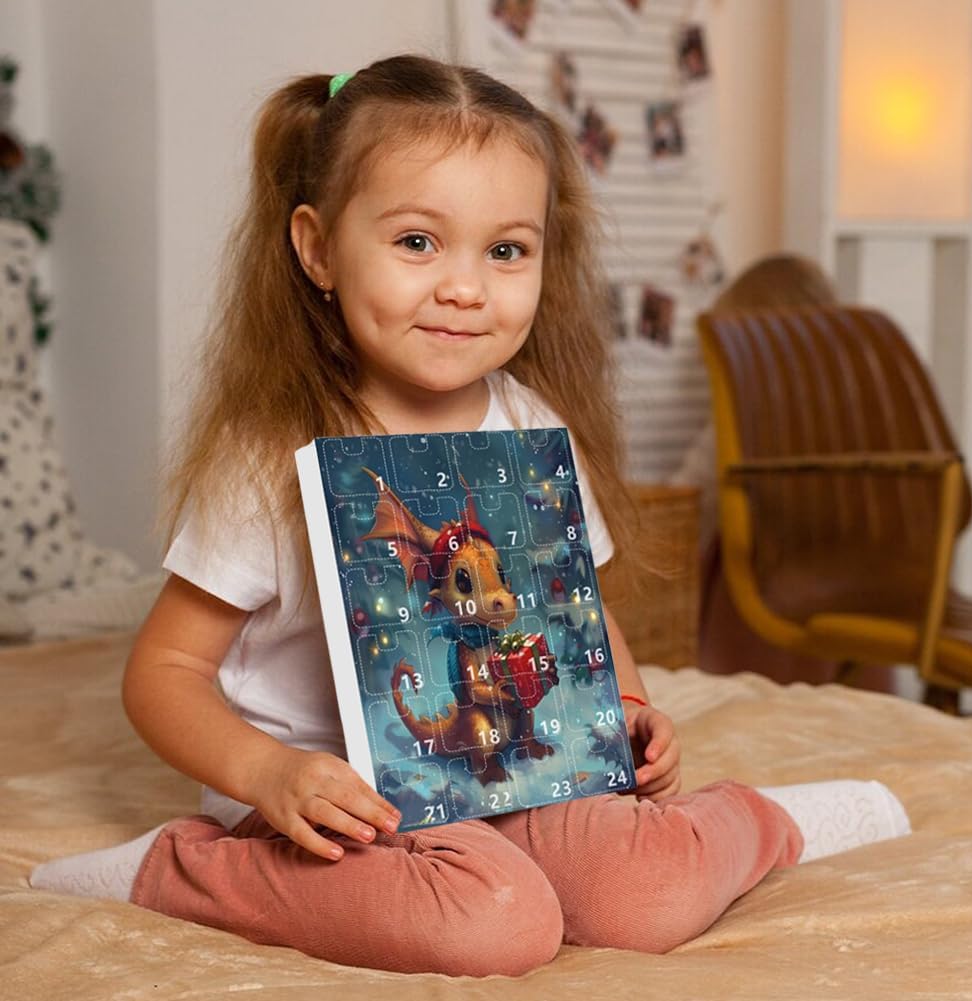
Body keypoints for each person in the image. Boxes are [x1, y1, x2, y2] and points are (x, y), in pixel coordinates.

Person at [28, 57, 910, 977]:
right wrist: (266, 774)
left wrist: (629, 707)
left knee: (638, 895)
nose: (465, 287)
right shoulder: (271, 454)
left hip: (515, 770)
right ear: (318, 249)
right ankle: (179, 868)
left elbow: (575, 614)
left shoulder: (528, 425)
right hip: (332, 801)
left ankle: (762, 819)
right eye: (417, 242)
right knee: (494, 923)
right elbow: (164, 672)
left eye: (505, 251)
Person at [675, 254, 892, 691]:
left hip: (765, 592)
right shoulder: (865, 402)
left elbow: (693, 497)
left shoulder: (747, 414)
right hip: (859, 586)